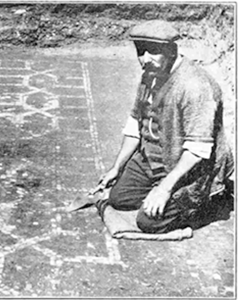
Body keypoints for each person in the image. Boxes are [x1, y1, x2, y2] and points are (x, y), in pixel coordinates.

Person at [74, 20, 234, 234]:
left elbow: (198, 150)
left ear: (170, 50)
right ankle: (161, 191)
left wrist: (164, 188)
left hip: (190, 166)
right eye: (141, 52)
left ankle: (210, 198)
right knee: (118, 199)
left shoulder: (195, 86)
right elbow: (134, 124)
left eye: (153, 52)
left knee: (149, 222)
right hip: (153, 159)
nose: (145, 59)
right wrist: (117, 167)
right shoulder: (150, 74)